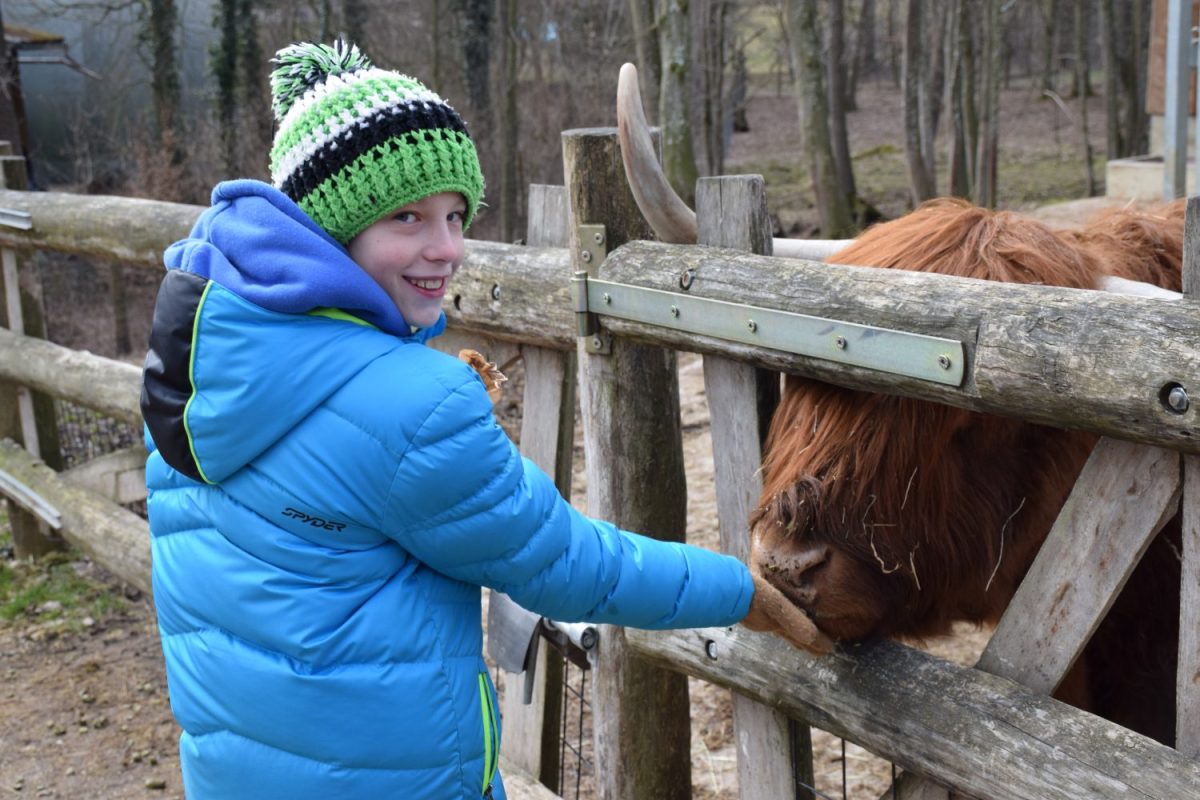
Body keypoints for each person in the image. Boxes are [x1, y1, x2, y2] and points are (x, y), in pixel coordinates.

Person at [141, 40, 823, 800]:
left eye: (456, 215)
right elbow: (565, 563)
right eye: (407, 217)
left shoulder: (202, 365)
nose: (447, 249)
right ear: (329, 228)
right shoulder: (412, 405)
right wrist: (739, 591)